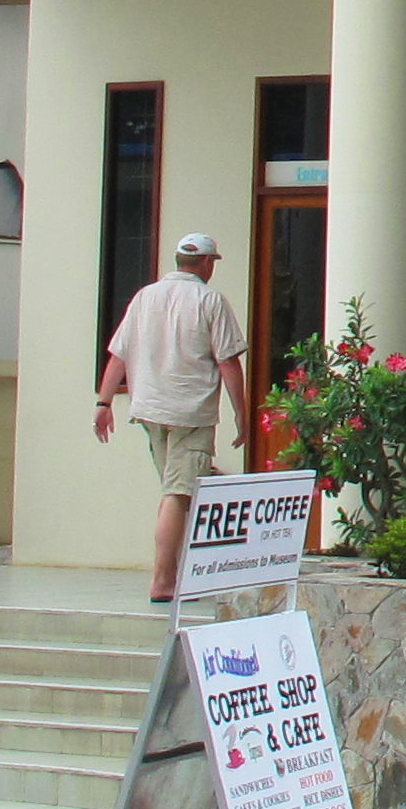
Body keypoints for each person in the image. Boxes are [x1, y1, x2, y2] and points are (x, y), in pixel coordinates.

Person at [94, 232, 249, 604]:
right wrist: (241, 414)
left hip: (149, 410)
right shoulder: (210, 300)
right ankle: (164, 581)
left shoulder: (145, 297)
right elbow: (228, 361)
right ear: (208, 263)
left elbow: (119, 355)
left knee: (176, 493)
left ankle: (179, 572)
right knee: (177, 496)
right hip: (189, 413)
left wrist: (103, 403)